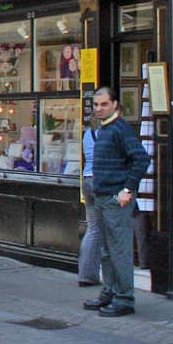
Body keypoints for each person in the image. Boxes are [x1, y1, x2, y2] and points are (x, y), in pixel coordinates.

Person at [83, 86, 152, 318]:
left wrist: (128, 189)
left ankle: (124, 299)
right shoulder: (103, 129)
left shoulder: (120, 128)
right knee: (105, 250)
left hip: (115, 199)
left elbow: (141, 158)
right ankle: (110, 293)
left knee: (119, 250)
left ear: (115, 105)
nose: (99, 109)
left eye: (104, 104)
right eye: (96, 105)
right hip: (102, 197)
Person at [76, 118, 102, 287]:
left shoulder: (87, 134)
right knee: (108, 228)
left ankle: (85, 273)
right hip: (101, 182)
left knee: (92, 228)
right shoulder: (105, 134)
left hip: (87, 180)